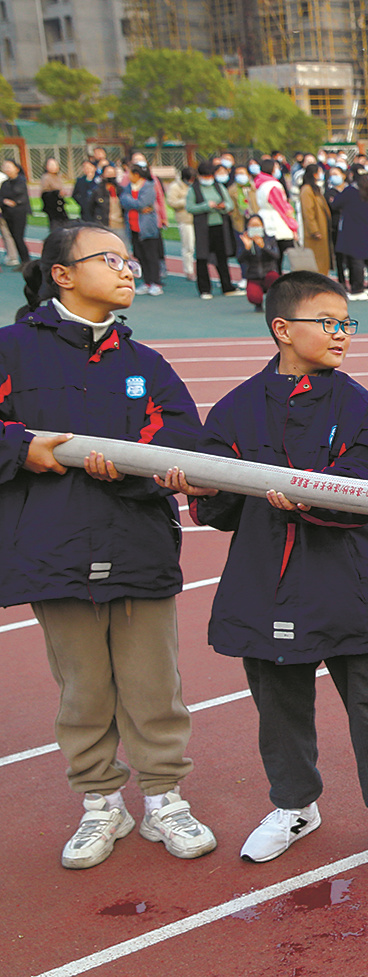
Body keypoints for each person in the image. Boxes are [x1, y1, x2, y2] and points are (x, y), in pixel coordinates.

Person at [155, 271, 368, 876]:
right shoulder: (238, 407)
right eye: (326, 322)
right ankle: (295, 806)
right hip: (264, 583)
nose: (341, 334)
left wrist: (308, 496)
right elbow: (220, 505)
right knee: (279, 708)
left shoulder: (360, 408)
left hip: (346, 584)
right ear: (282, 329)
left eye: (346, 323)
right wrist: (197, 484)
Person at [0, 221, 216, 870]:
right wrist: (23, 449)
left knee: (155, 685)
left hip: (138, 546)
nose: (128, 270)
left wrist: (138, 464)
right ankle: (101, 801)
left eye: (128, 259)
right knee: (83, 688)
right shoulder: (13, 350)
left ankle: (164, 799)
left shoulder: (144, 364)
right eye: (110, 259)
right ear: (62, 273)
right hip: (52, 550)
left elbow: (183, 440)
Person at [187, 161, 238, 299]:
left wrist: (223, 206)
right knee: (202, 257)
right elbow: (190, 207)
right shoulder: (194, 189)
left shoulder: (219, 187)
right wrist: (205, 206)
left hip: (219, 225)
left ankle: (227, 286)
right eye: (205, 175)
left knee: (222, 257)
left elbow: (230, 204)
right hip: (203, 227)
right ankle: (204, 289)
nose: (208, 178)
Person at [330, 168, 368, 300]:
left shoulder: (350, 191)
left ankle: (358, 288)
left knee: (356, 259)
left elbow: (335, 204)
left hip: (353, 229)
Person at [120, 164, 164, 296]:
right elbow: (123, 200)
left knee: (151, 255)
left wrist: (133, 204)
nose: (128, 176)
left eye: (130, 174)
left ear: (136, 175)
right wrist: (135, 205)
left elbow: (142, 203)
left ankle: (156, 283)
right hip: (133, 227)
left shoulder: (149, 186)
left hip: (147, 227)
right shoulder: (128, 187)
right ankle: (147, 282)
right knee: (140, 255)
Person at [254, 159, 298, 265]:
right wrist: (293, 226)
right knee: (279, 255)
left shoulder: (260, 184)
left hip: (265, 218)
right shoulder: (273, 185)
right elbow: (281, 207)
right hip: (276, 222)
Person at [236, 215, 281, 310]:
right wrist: (247, 249)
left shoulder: (270, 239)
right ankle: (258, 303)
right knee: (253, 296)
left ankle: (273, 299)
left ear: (262, 226)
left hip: (268, 273)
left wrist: (263, 247)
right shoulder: (244, 240)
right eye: (252, 225)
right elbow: (240, 259)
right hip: (253, 275)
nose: (255, 228)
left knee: (274, 277)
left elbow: (276, 256)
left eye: (257, 225)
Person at [299, 163, 333, 276]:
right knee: (316, 260)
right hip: (315, 232)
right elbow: (308, 212)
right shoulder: (307, 190)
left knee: (323, 259)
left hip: (323, 228)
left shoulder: (315, 189)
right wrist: (314, 230)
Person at [0, 159, 32, 264]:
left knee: (18, 237)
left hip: (19, 213)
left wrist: (11, 201)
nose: (6, 168)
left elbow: (19, 195)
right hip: (7, 214)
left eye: (9, 166)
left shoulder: (21, 181)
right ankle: (23, 261)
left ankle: (26, 261)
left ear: (16, 168)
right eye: (5, 166)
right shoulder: (5, 183)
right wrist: (4, 201)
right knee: (14, 237)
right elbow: (2, 197)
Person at [168, 166, 195, 281]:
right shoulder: (175, 186)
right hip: (185, 219)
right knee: (188, 246)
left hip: (197, 218)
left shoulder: (195, 185)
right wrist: (186, 201)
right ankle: (189, 270)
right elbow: (171, 202)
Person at [40, 158, 69, 230]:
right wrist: (57, 193)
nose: (53, 167)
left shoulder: (58, 177)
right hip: (53, 207)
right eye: (51, 165)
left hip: (60, 205)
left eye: (55, 165)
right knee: (56, 226)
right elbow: (45, 194)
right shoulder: (46, 177)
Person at [73, 159, 100, 223]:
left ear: (94, 168)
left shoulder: (99, 180)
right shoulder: (80, 180)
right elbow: (75, 194)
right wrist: (81, 201)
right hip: (85, 210)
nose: (87, 169)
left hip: (97, 209)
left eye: (89, 167)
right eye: (84, 167)